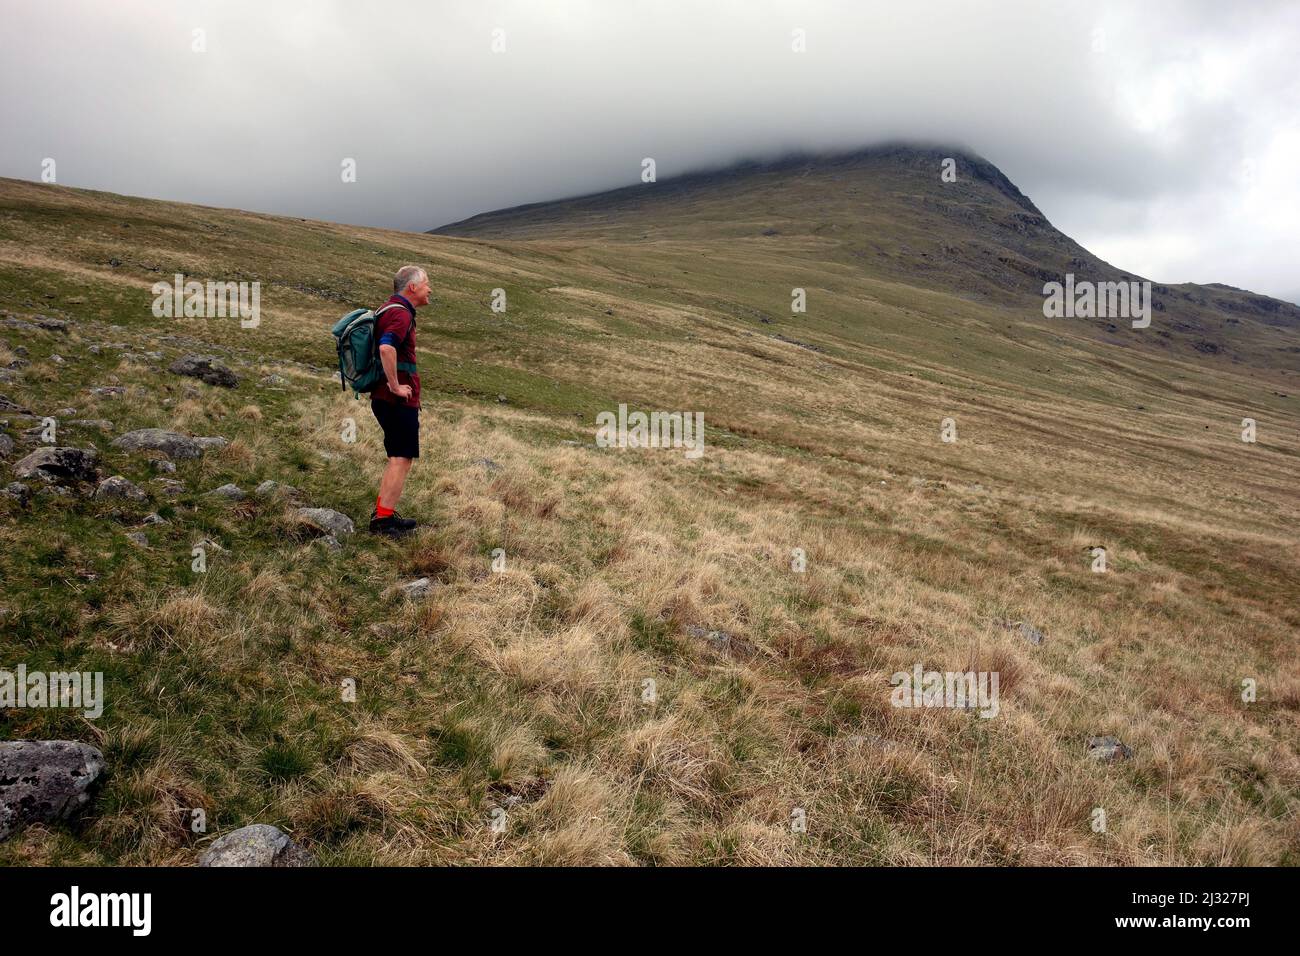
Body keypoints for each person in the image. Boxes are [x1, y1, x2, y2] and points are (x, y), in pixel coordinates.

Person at [369, 264, 430, 536]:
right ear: (412, 287)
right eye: (427, 283)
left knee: (398, 455)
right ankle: (383, 522)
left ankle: (384, 513)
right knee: (401, 457)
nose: (430, 289)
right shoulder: (401, 314)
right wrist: (395, 386)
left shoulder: (389, 309)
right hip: (395, 400)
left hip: (385, 398)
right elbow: (386, 347)